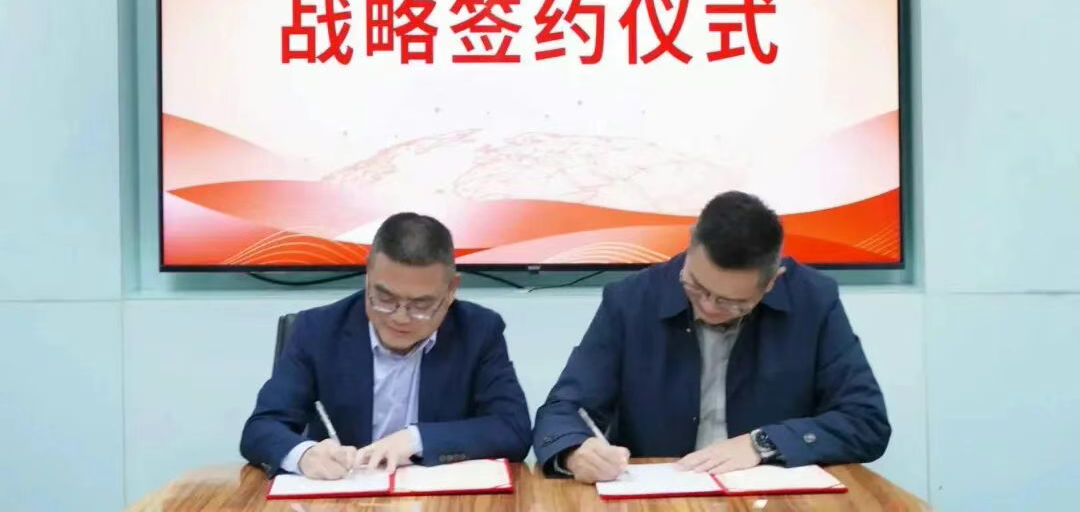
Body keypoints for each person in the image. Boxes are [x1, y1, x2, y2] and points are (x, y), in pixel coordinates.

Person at [533, 190, 890, 482]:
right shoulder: (631, 300)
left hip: (772, 498)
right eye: (696, 286)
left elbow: (865, 422)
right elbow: (563, 410)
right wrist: (576, 451)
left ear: (771, 282)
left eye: (731, 302)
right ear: (690, 249)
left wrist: (762, 443)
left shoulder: (813, 301)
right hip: (658, 498)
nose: (707, 307)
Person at [240, 212, 532, 479]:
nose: (400, 318)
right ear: (368, 278)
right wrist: (304, 455)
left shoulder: (478, 331)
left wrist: (417, 440)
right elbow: (261, 429)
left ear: (451, 290)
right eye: (385, 298)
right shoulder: (317, 330)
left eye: (421, 305)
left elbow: (513, 429)